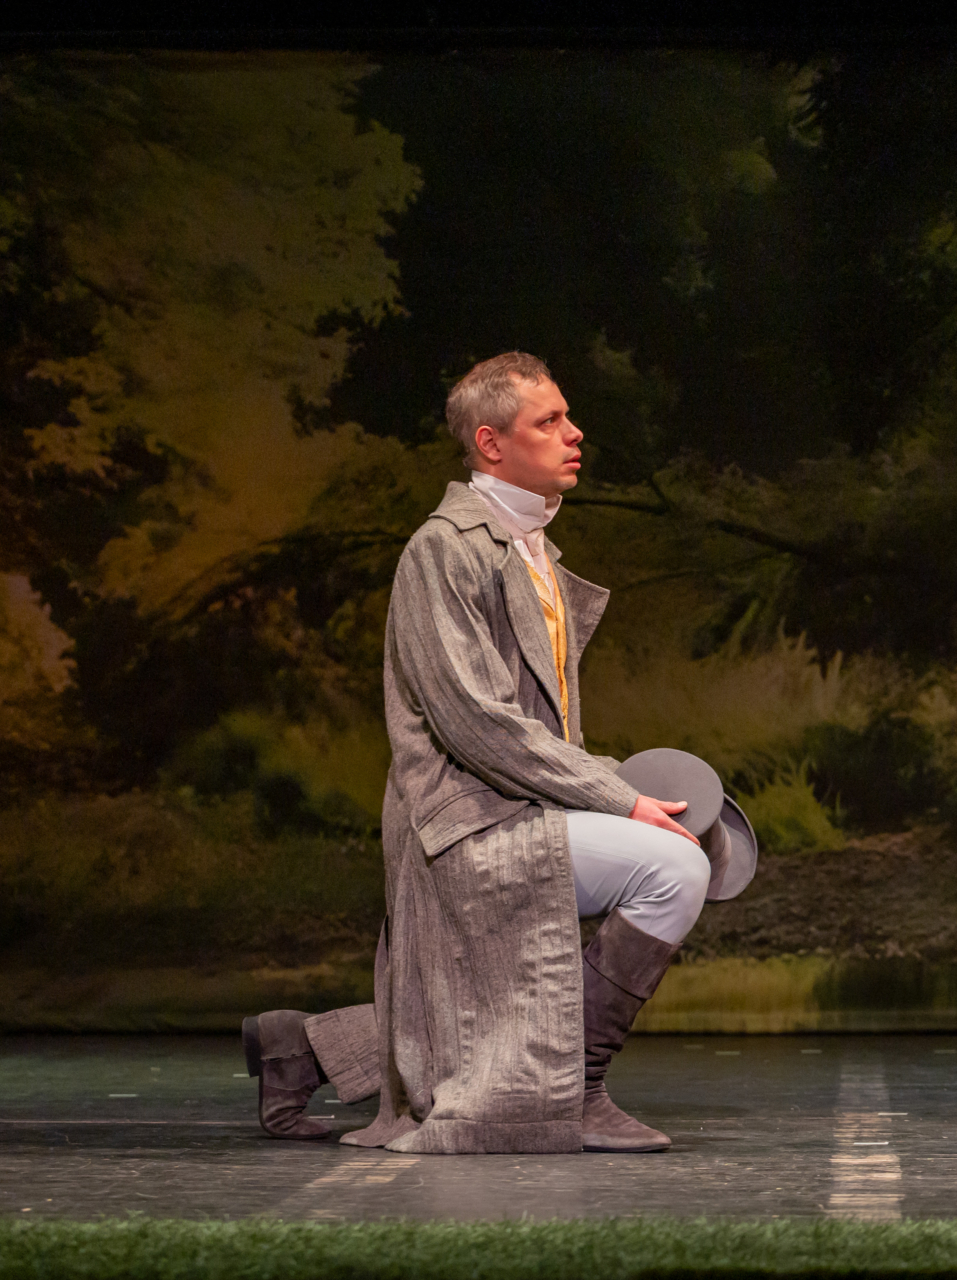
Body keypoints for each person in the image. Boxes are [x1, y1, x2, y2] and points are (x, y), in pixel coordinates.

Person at [242, 352, 711, 1154]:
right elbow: (476, 723)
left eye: (568, 416)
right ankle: (576, 1088)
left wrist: (610, 788)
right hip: (463, 824)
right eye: (549, 421)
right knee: (673, 868)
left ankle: (304, 1047)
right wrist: (618, 797)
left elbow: (538, 730)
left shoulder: (534, 553)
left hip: (521, 804)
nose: (574, 432)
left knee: (499, 980)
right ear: (491, 443)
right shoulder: (444, 549)